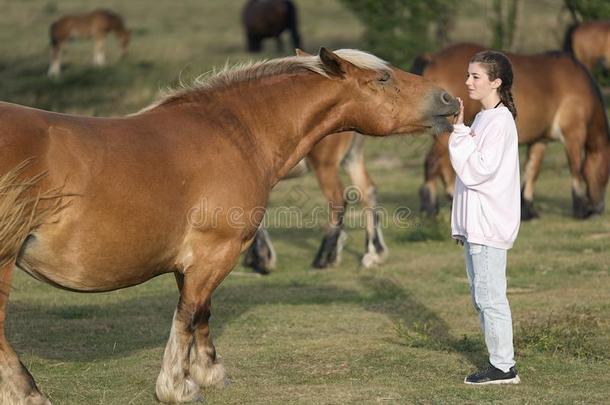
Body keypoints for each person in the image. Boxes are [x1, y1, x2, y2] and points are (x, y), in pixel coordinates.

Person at [448, 50, 521, 385]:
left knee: (491, 298)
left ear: (496, 82)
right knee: (482, 297)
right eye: (468, 75)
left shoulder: (500, 121)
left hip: (489, 226)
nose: (468, 82)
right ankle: (498, 360)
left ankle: (504, 367)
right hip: (476, 226)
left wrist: (460, 133)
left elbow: (478, 170)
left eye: (475, 77)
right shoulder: (484, 118)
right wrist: (464, 128)